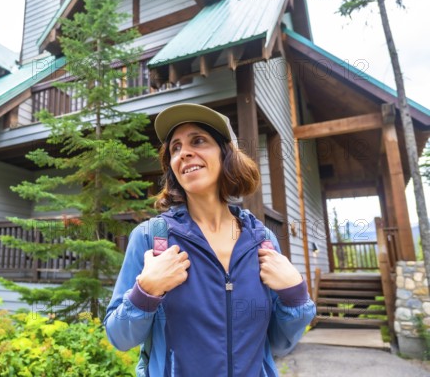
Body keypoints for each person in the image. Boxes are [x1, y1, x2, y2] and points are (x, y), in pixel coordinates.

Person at [104, 103, 316, 376]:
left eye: (198, 140)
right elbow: (119, 338)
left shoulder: (263, 240)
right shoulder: (150, 238)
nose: (184, 153)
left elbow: (277, 343)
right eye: (175, 148)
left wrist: (295, 295)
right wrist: (146, 292)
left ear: (226, 153)